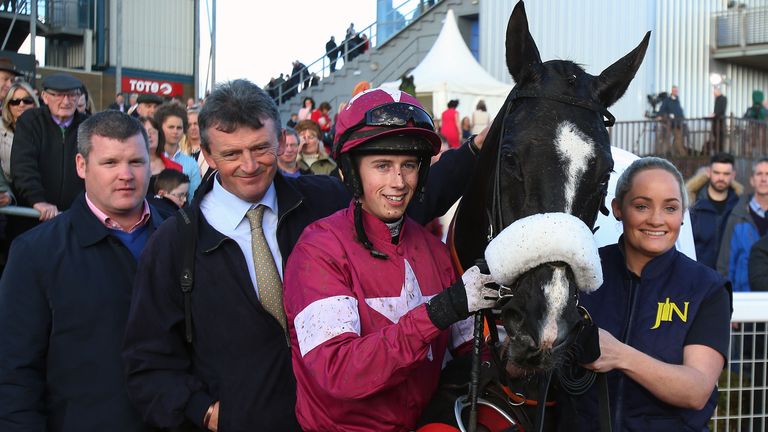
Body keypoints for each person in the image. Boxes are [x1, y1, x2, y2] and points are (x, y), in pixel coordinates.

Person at [122, 81, 483, 431]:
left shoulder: (323, 199)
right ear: (207, 153)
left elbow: (398, 195)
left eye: (261, 149)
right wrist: (209, 414)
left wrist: (478, 149)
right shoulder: (174, 242)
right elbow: (148, 361)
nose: (249, 165)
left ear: (280, 142)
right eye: (232, 154)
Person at [283, 88, 496, 432]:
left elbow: (473, 352)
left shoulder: (435, 251)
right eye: (382, 166)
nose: (398, 182)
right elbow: (338, 372)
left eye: (409, 166)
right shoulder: (317, 251)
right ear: (353, 171)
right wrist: (438, 313)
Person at [0, 110, 163, 431]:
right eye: (110, 163)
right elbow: (14, 372)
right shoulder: (35, 252)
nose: (125, 174)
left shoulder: (180, 235)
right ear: (81, 165)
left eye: (136, 162)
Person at [559, 157, 731, 431]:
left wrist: (620, 355)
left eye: (670, 208)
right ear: (618, 209)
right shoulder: (581, 272)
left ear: (682, 215)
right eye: (642, 206)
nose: (656, 219)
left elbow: (696, 390)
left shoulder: (707, 288)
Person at [11, 73, 87, 222]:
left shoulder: (88, 126)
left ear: (79, 97)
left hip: (74, 218)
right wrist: (37, 200)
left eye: (72, 95)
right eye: (59, 95)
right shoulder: (30, 122)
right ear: (45, 97)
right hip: (33, 216)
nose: (66, 101)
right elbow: (22, 164)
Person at [717, 157, 768, 292]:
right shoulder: (736, 215)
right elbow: (725, 264)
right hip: (743, 299)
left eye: (767, 174)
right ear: (752, 180)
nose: (764, 179)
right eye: (759, 174)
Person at [687, 152, 740, 269]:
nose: (721, 178)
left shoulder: (739, 207)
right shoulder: (692, 206)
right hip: (699, 277)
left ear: (733, 175)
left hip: (730, 279)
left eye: (726, 174)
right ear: (709, 172)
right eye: (717, 172)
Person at [155, 102, 202, 199]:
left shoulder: (191, 164)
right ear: (160, 128)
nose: (175, 131)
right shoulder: (151, 159)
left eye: (179, 128)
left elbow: (193, 199)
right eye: (171, 127)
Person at [0, 81, 38, 181]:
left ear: (34, 103)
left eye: (27, 100)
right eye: (15, 102)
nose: (21, 105)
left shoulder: (44, 129)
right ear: (8, 105)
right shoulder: (1, 129)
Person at [657, 85, 686, 156]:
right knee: (666, 139)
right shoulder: (667, 100)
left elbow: (679, 111)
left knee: (677, 140)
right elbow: (662, 108)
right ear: (672, 91)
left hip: (678, 123)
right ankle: (667, 154)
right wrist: (659, 115)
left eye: (676, 91)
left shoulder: (677, 100)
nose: (675, 92)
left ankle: (680, 155)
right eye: (674, 90)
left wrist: (682, 118)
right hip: (669, 123)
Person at [711, 86, 727, 152]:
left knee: (720, 137)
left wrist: (715, 114)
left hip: (720, 121)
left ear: (718, 91)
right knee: (715, 136)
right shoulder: (717, 99)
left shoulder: (723, 98)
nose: (714, 94)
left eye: (714, 92)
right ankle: (717, 150)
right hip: (715, 121)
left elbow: (722, 109)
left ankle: (721, 151)